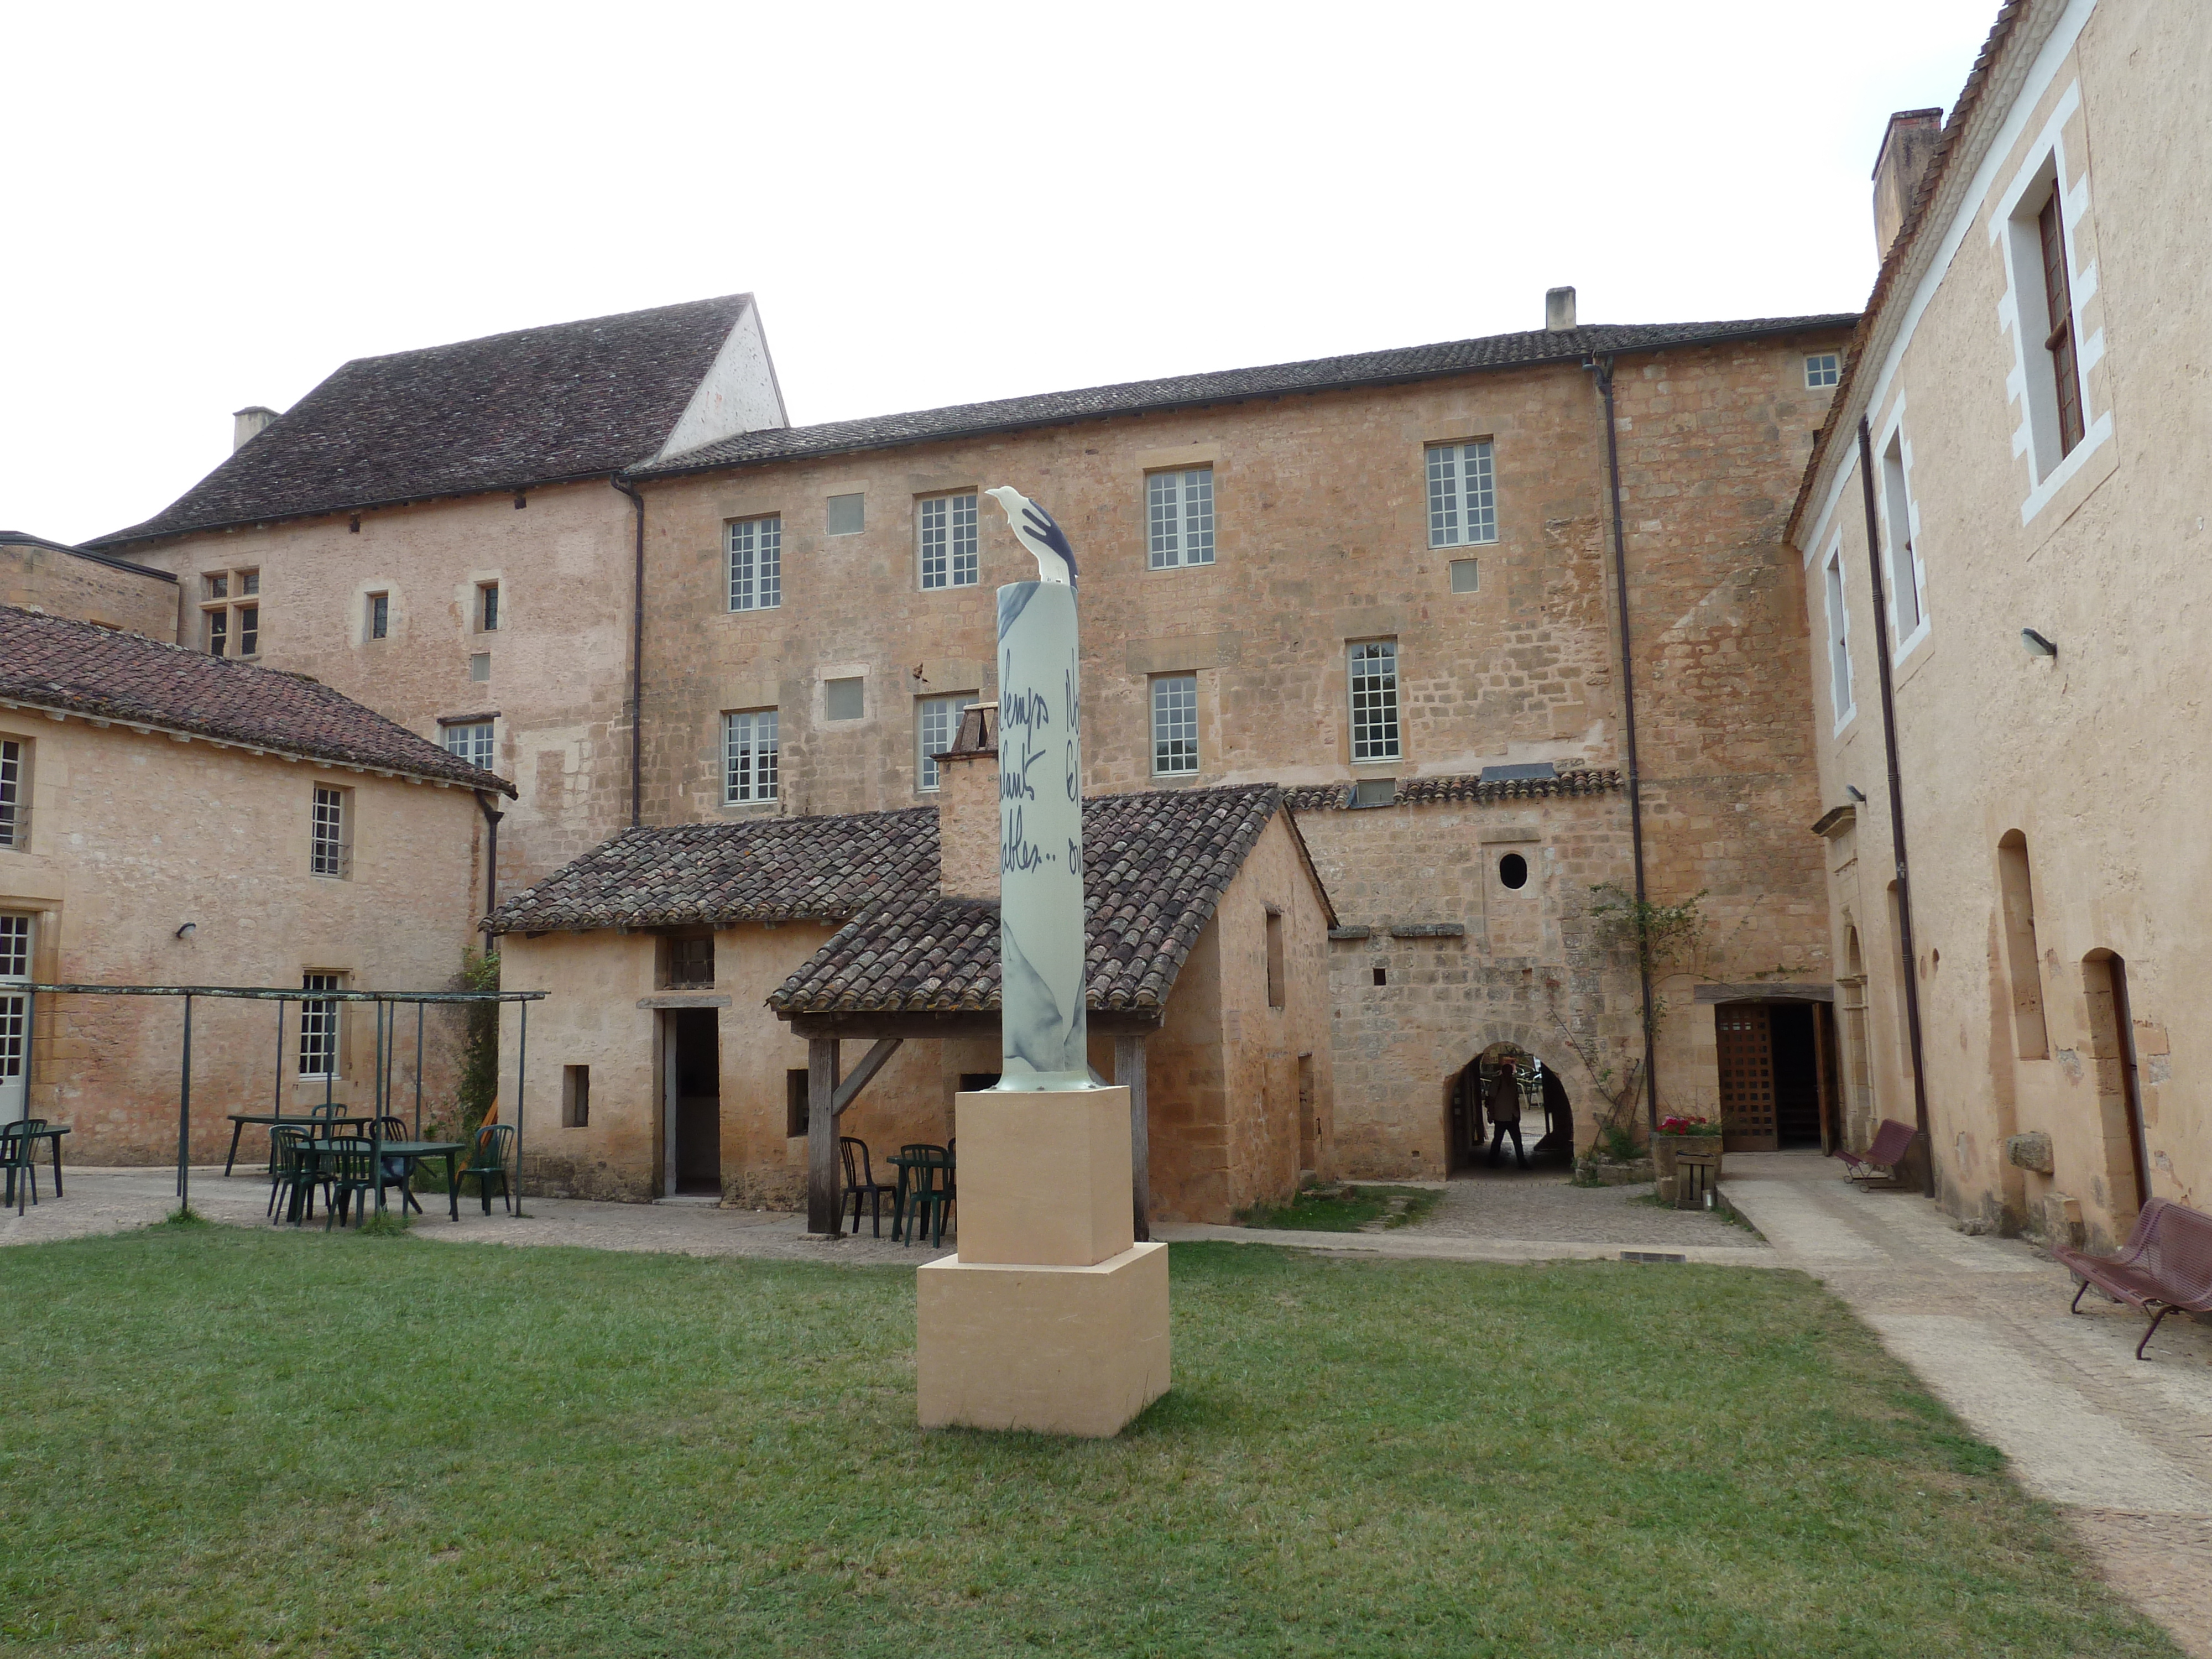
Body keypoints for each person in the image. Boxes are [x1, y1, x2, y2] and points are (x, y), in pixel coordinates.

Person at [1484, 1063, 1529, 1169]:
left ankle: (1522, 1162)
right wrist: (1491, 1114)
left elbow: (1515, 1098)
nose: (1509, 1073)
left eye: (1511, 1071)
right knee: (1498, 1140)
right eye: (1507, 1071)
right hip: (1501, 1115)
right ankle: (1492, 1162)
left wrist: (1518, 1114)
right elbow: (1491, 1098)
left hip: (1512, 1115)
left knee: (1517, 1140)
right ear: (1503, 1071)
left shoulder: (1514, 1081)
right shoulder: (1497, 1081)